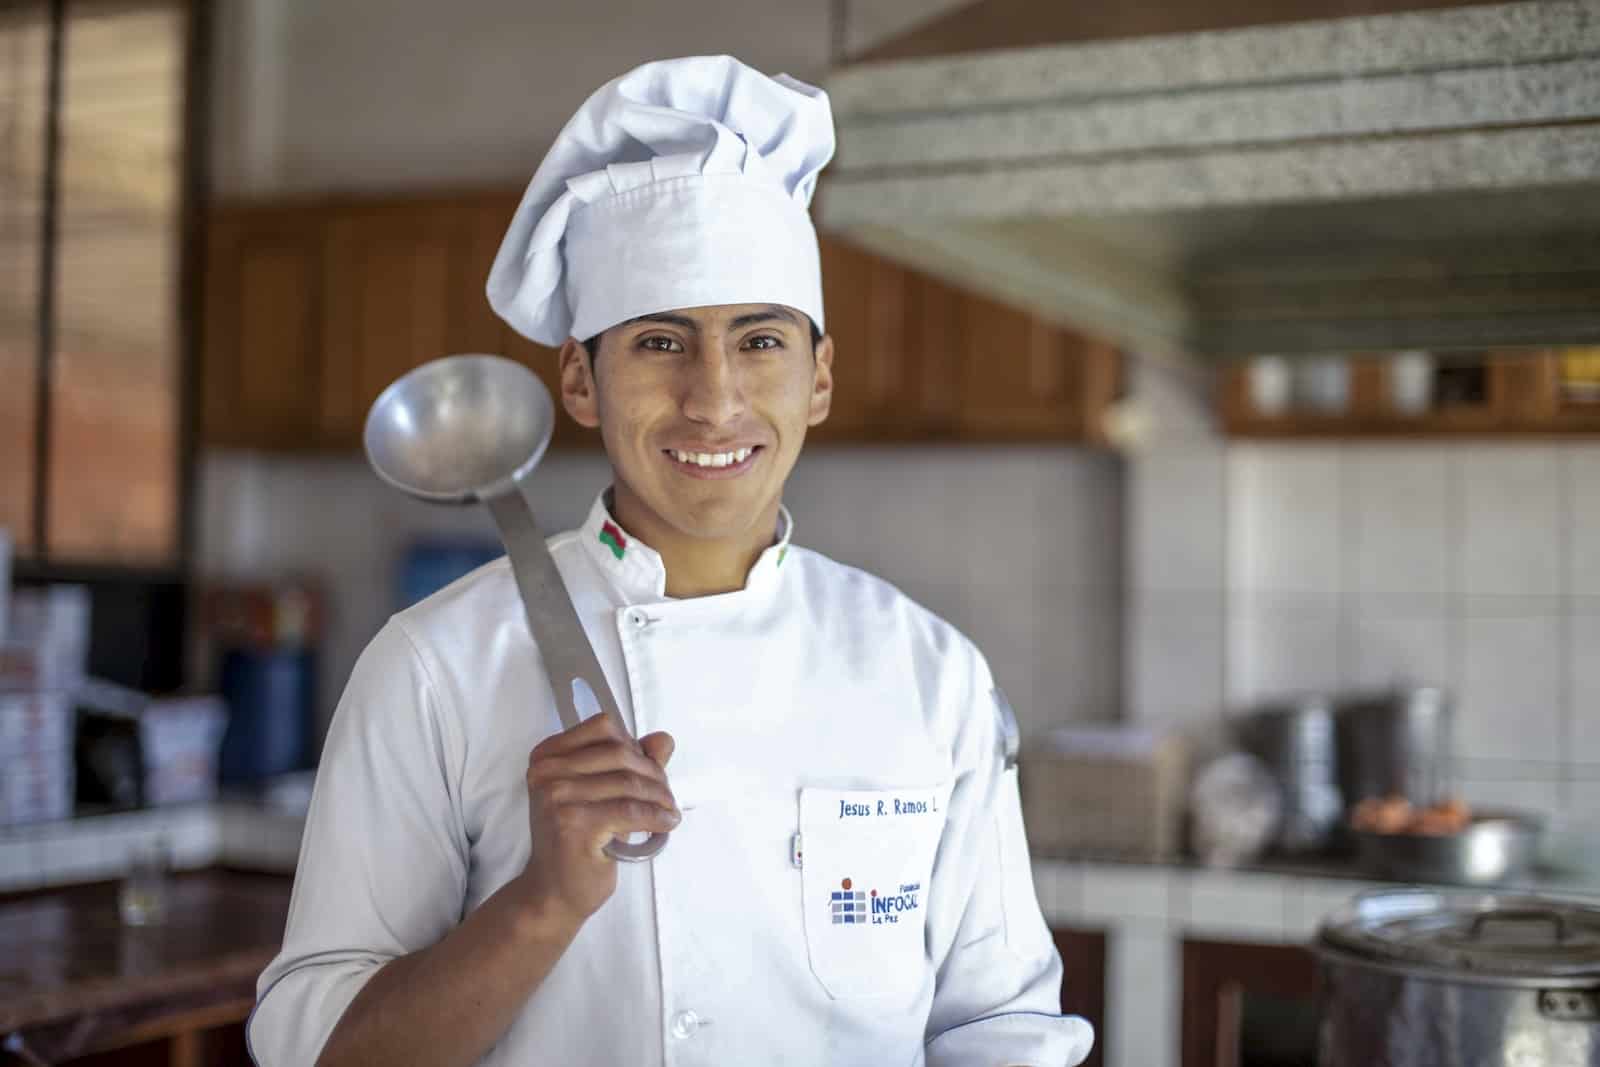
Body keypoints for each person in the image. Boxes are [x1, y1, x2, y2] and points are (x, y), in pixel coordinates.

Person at [248, 54, 1095, 1067]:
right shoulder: (435, 667)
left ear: (819, 377)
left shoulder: (931, 673)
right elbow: (313, 1051)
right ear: (579, 378)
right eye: (659, 342)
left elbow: (1003, 1029)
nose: (714, 399)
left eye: (761, 341)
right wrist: (539, 907)